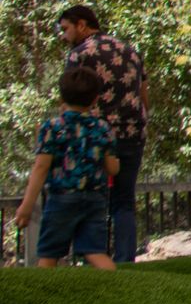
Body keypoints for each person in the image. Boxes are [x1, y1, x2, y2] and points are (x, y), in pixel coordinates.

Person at [59, 4, 147, 262]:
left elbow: (69, 98)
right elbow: (144, 94)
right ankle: (125, 260)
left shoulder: (80, 54)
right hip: (132, 132)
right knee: (124, 201)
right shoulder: (130, 51)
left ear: (82, 25)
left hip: (94, 135)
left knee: (92, 197)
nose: (64, 36)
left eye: (66, 29)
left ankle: (92, 259)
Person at [14, 66, 120, 269]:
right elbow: (112, 169)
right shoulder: (103, 127)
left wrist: (27, 205)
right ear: (95, 99)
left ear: (61, 97)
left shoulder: (52, 127)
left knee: (49, 254)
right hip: (95, 198)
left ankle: (42, 296)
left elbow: (41, 167)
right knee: (95, 252)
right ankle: (118, 288)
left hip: (62, 197)